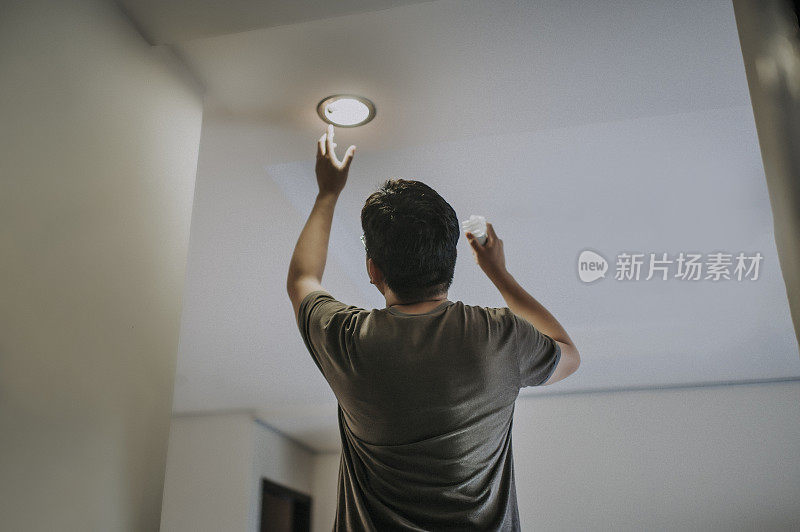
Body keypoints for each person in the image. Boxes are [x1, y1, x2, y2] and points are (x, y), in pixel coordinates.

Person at [287, 125, 580, 531]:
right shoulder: (497, 336)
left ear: (373, 270)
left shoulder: (347, 340)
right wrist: (500, 273)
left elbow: (303, 279)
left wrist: (327, 192)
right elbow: (567, 353)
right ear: (452, 264)